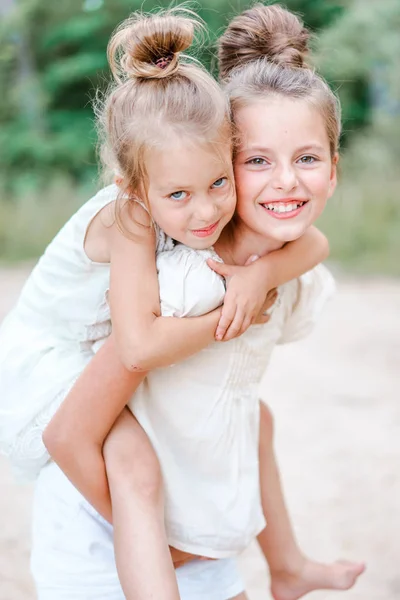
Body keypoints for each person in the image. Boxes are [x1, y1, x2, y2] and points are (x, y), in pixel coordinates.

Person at [32, 4, 366, 600]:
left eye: (307, 158)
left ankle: (286, 566)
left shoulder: (256, 259)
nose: (285, 180)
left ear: (334, 169)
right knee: (135, 464)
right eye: (256, 161)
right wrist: (165, 547)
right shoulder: (170, 270)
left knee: (255, 418)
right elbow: (86, 414)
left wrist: (260, 277)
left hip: (195, 534)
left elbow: (314, 244)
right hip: (105, 536)